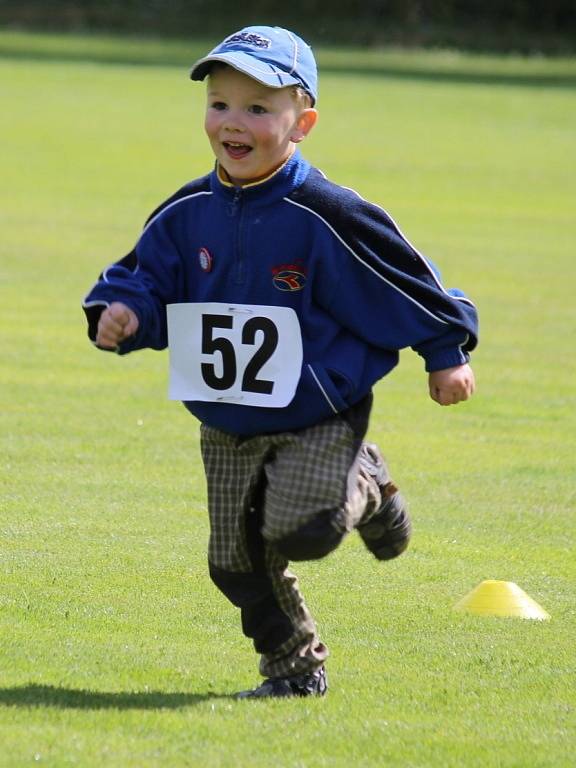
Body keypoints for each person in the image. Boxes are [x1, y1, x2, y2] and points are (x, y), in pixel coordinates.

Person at [82, 25, 478, 699]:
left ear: (304, 123)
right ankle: (296, 671)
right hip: (228, 415)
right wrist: (123, 315)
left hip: (319, 408)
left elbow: (405, 278)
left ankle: (367, 474)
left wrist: (445, 350)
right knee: (234, 563)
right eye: (220, 103)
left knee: (305, 528)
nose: (233, 123)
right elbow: (141, 279)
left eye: (259, 109)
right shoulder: (186, 212)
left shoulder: (325, 212)